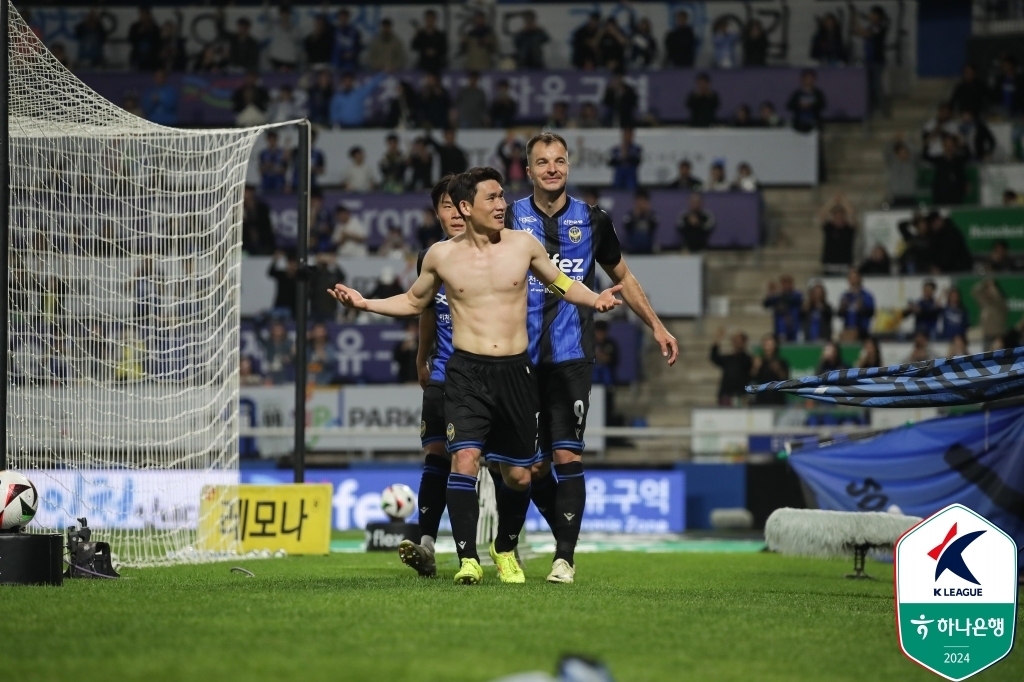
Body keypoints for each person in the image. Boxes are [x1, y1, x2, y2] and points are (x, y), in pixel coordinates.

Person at [331, 167, 624, 586]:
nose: (503, 204)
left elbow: (562, 284)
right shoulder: (441, 256)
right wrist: (366, 303)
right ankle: (468, 559)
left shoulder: (524, 245)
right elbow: (415, 301)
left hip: (517, 372)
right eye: (492, 198)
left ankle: (504, 546)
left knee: (520, 475)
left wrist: (595, 299)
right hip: (466, 373)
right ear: (467, 208)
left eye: (503, 196)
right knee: (464, 459)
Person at [506, 133, 678, 583]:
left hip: (572, 357)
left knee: (566, 454)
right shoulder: (507, 219)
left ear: (568, 167)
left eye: (559, 161)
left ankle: (565, 557)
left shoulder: (593, 220)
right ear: (529, 169)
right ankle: (519, 540)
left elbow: (624, 278)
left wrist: (656, 325)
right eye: (542, 162)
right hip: (515, 359)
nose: (552, 168)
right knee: (526, 468)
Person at [397, 178, 464, 577]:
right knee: (436, 454)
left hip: (491, 374)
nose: (455, 212)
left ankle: (500, 542)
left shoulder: (496, 249)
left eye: (460, 203)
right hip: (443, 373)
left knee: (491, 465)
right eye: (446, 205)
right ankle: (426, 545)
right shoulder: (431, 256)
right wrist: (422, 356)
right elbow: (423, 309)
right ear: (437, 212)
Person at [852, 5, 889, 115]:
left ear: (879, 16)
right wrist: (854, 18)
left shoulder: (881, 26)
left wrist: (859, 18)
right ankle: (872, 109)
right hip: (869, 60)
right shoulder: (872, 26)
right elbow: (858, 31)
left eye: (874, 15)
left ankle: (882, 110)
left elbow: (866, 33)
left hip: (877, 61)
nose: (871, 17)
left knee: (876, 85)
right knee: (869, 85)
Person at [710, 328, 752, 406]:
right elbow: (714, 357)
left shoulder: (748, 359)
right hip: (726, 395)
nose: (737, 343)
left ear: (744, 342)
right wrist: (717, 340)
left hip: (741, 396)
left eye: (740, 341)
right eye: (735, 340)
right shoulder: (728, 359)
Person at [820, 193, 856, 272]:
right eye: (836, 217)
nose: (839, 219)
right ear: (833, 218)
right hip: (830, 263)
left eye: (841, 217)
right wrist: (832, 201)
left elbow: (852, 214)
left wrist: (844, 201)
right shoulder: (829, 228)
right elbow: (822, 215)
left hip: (845, 263)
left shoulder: (848, 229)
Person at [750, 334, 789, 405]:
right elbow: (751, 378)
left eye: (770, 345)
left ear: (775, 346)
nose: (767, 347)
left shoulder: (781, 362)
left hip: (776, 399)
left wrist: (778, 369)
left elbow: (786, 381)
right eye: (765, 344)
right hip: (761, 399)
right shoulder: (759, 361)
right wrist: (756, 367)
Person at [838, 269, 876, 341]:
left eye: (855, 278)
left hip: (862, 331)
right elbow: (840, 314)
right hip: (848, 329)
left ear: (860, 278)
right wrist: (843, 307)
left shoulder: (866, 296)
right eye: (851, 278)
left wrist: (861, 308)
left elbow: (871, 313)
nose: (853, 280)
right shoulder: (845, 296)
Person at [763, 275, 802, 342]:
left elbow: (792, 300)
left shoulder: (796, 295)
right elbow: (766, 304)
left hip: (793, 327)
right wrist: (770, 294)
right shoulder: (777, 296)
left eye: (788, 283)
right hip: (780, 328)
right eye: (784, 284)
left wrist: (778, 293)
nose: (786, 286)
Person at [972, 277, 1008, 346]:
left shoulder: (1000, 304)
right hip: (986, 336)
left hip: (998, 336)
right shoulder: (985, 303)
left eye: (989, 290)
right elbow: (974, 291)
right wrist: (984, 283)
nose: (987, 291)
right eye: (986, 289)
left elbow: (998, 297)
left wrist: (992, 286)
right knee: (986, 356)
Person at [885, 134, 918, 207]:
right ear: (897, 153)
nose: (903, 154)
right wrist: (894, 140)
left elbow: (916, 151)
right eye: (900, 152)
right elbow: (887, 151)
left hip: (910, 196)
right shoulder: (892, 163)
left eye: (905, 152)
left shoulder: (912, 162)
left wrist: (905, 140)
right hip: (896, 197)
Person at [622, 189, 659, 254]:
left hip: (648, 250)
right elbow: (627, 226)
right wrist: (636, 215)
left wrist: (647, 214)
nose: (641, 204)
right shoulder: (629, 216)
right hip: (632, 250)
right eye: (639, 201)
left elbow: (654, 226)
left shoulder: (652, 216)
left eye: (643, 201)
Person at [242, 186, 275, 255]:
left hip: (262, 241)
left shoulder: (261, 207)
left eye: (247, 192)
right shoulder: (239, 208)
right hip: (245, 242)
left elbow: (265, 224)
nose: (245, 195)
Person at [266, 7, 300, 71]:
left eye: (287, 14)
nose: (285, 16)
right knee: (275, 80)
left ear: (289, 15)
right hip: (276, 60)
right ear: (280, 15)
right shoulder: (274, 27)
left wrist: (288, 28)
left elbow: (297, 38)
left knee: (290, 80)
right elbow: (266, 13)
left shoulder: (295, 29)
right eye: (283, 14)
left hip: (290, 61)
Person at [128, 7, 162, 71]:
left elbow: (158, 42)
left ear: (149, 15)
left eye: (145, 15)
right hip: (138, 56)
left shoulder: (154, 27)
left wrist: (150, 31)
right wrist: (139, 32)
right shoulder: (135, 26)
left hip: (151, 57)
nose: (144, 17)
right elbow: (131, 40)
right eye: (142, 15)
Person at [268, 253, 298, 319]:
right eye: (290, 263)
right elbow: (270, 272)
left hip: (293, 308)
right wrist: (275, 260)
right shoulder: (282, 275)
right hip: (280, 304)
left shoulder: (299, 277)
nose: (292, 266)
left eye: (294, 264)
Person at [593, 321, 619, 385]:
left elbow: (613, 359)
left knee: (606, 372)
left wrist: (601, 357)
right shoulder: (590, 343)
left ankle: (608, 391)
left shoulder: (610, 343)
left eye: (602, 332)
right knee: (594, 372)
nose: (600, 334)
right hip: (593, 368)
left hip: (606, 368)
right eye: (598, 332)